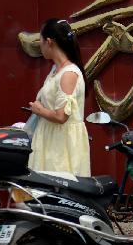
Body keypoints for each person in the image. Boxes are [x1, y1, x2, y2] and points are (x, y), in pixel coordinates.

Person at [27, 18, 90, 176]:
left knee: (57, 190)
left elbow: (62, 116)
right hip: (50, 138)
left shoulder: (68, 73)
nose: (40, 46)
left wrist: (39, 110)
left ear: (49, 42)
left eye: (40, 41)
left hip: (60, 145)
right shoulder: (56, 69)